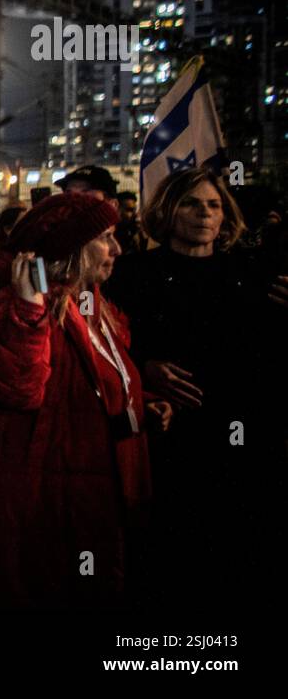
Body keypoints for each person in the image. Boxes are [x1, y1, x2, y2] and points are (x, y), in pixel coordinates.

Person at [104, 167, 288, 605]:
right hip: (169, 437)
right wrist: (143, 368)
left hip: (242, 437)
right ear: (167, 211)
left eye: (213, 204)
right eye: (190, 203)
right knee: (170, 556)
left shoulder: (253, 273)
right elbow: (108, 347)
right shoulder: (131, 274)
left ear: (226, 216)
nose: (204, 213)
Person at [0, 193, 159, 606]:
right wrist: (27, 312)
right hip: (50, 498)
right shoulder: (25, 303)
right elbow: (16, 390)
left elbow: (99, 377)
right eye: (105, 238)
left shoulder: (91, 302)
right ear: (72, 248)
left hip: (90, 486)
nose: (117, 249)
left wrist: (141, 402)